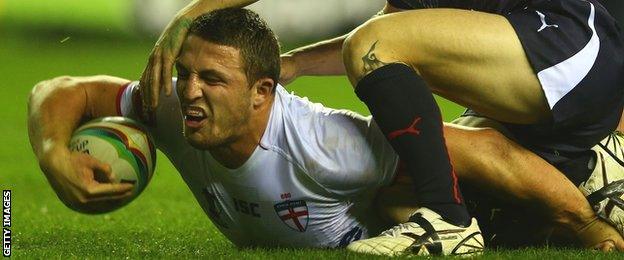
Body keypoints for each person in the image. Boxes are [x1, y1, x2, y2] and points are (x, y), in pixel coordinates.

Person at [139, 0, 624, 255]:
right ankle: (584, 166)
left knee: (374, 45)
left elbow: (375, 44)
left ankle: (448, 221)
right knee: (401, 187)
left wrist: (189, 14)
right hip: (563, 59)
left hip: (564, 51)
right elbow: (394, 35)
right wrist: (295, 64)